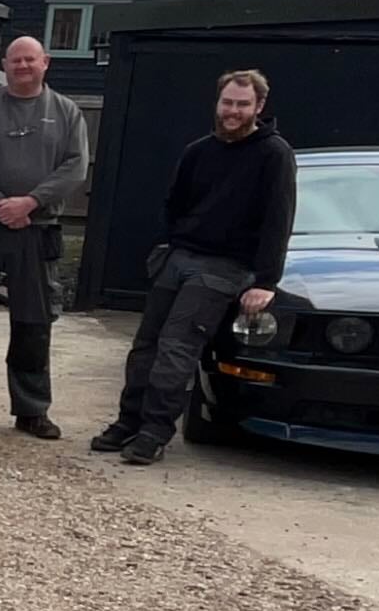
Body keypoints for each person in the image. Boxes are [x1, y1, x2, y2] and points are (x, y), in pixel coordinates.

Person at [95, 69, 295, 466]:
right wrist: (178, 241)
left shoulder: (274, 154)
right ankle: (128, 422)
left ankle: (153, 433)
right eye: (227, 103)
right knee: (145, 348)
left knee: (177, 349)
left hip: (225, 268)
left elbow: (279, 219)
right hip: (181, 258)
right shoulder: (199, 151)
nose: (233, 111)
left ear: (259, 107)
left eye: (242, 104)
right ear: (217, 102)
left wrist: (265, 280)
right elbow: (175, 203)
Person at [0, 36, 91, 440]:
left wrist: (30, 202)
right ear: (4, 64)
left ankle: (31, 409)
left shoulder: (66, 113)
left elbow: (76, 167)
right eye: (15, 60)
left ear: (46, 62)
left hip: (36, 229)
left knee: (33, 321)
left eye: (30, 60)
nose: (22, 66)